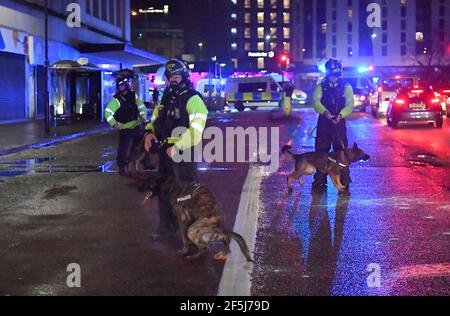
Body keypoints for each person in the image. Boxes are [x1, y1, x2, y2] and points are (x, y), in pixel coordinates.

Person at [143, 59, 208, 240]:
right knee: (165, 190)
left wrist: (177, 147)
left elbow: (196, 131)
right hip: (166, 152)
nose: (172, 81)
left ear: (184, 78)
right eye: (169, 77)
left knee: (187, 193)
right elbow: (156, 119)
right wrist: (148, 133)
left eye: (176, 77)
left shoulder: (194, 99)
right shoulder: (166, 98)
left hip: (183, 153)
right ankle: (167, 228)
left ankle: (193, 233)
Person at [312, 59, 354, 193]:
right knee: (321, 151)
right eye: (331, 74)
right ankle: (320, 180)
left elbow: (350, 104)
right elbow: (315, 102)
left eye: (335, 74)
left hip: (339, 123)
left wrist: (340, 115)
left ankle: (344, 180)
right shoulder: (321, 86)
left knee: (341, 152)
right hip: (325, 122)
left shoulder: (346, 86)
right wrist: (326, 113)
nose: (333, 77)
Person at [104, 76, 147, 176]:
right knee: (124, 148)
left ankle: (135, 164)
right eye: (120, 86)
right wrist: (114, 124)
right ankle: (122, 167)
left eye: (123, 85)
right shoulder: (117, 100)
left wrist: (143, 118)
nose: (121, 87)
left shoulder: (133, 96)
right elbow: (108, 112)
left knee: (138, 147)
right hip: (124, 128)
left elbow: (141, 107)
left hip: (136, 126)